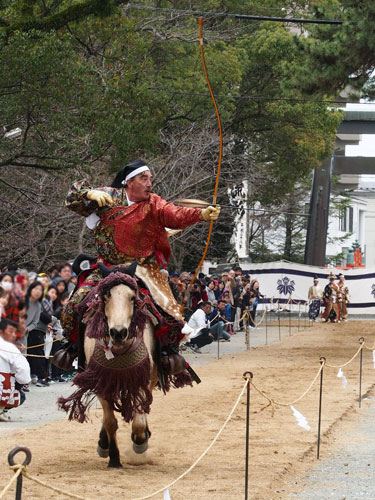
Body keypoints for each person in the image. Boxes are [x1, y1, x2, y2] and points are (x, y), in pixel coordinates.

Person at [62, 159, 220, 343]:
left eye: (149, 179)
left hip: (143, 269)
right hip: (104, 268)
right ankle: (72, 348)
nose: (149, 184)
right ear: (129, 182)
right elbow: (72, 197)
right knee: (73, 307)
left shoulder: (154, 203)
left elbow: (174, 214)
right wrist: (88, 193)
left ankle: (168, 354)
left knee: (170, 314)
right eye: (143, 178)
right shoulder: (108, 196)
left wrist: (200, 214)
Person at [0, 319, 31, 422]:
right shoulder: (9, 348)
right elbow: (24, 374)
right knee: (21, 395)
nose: (13, 335)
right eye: (10, 331)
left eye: (15, 332)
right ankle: (0, 410)